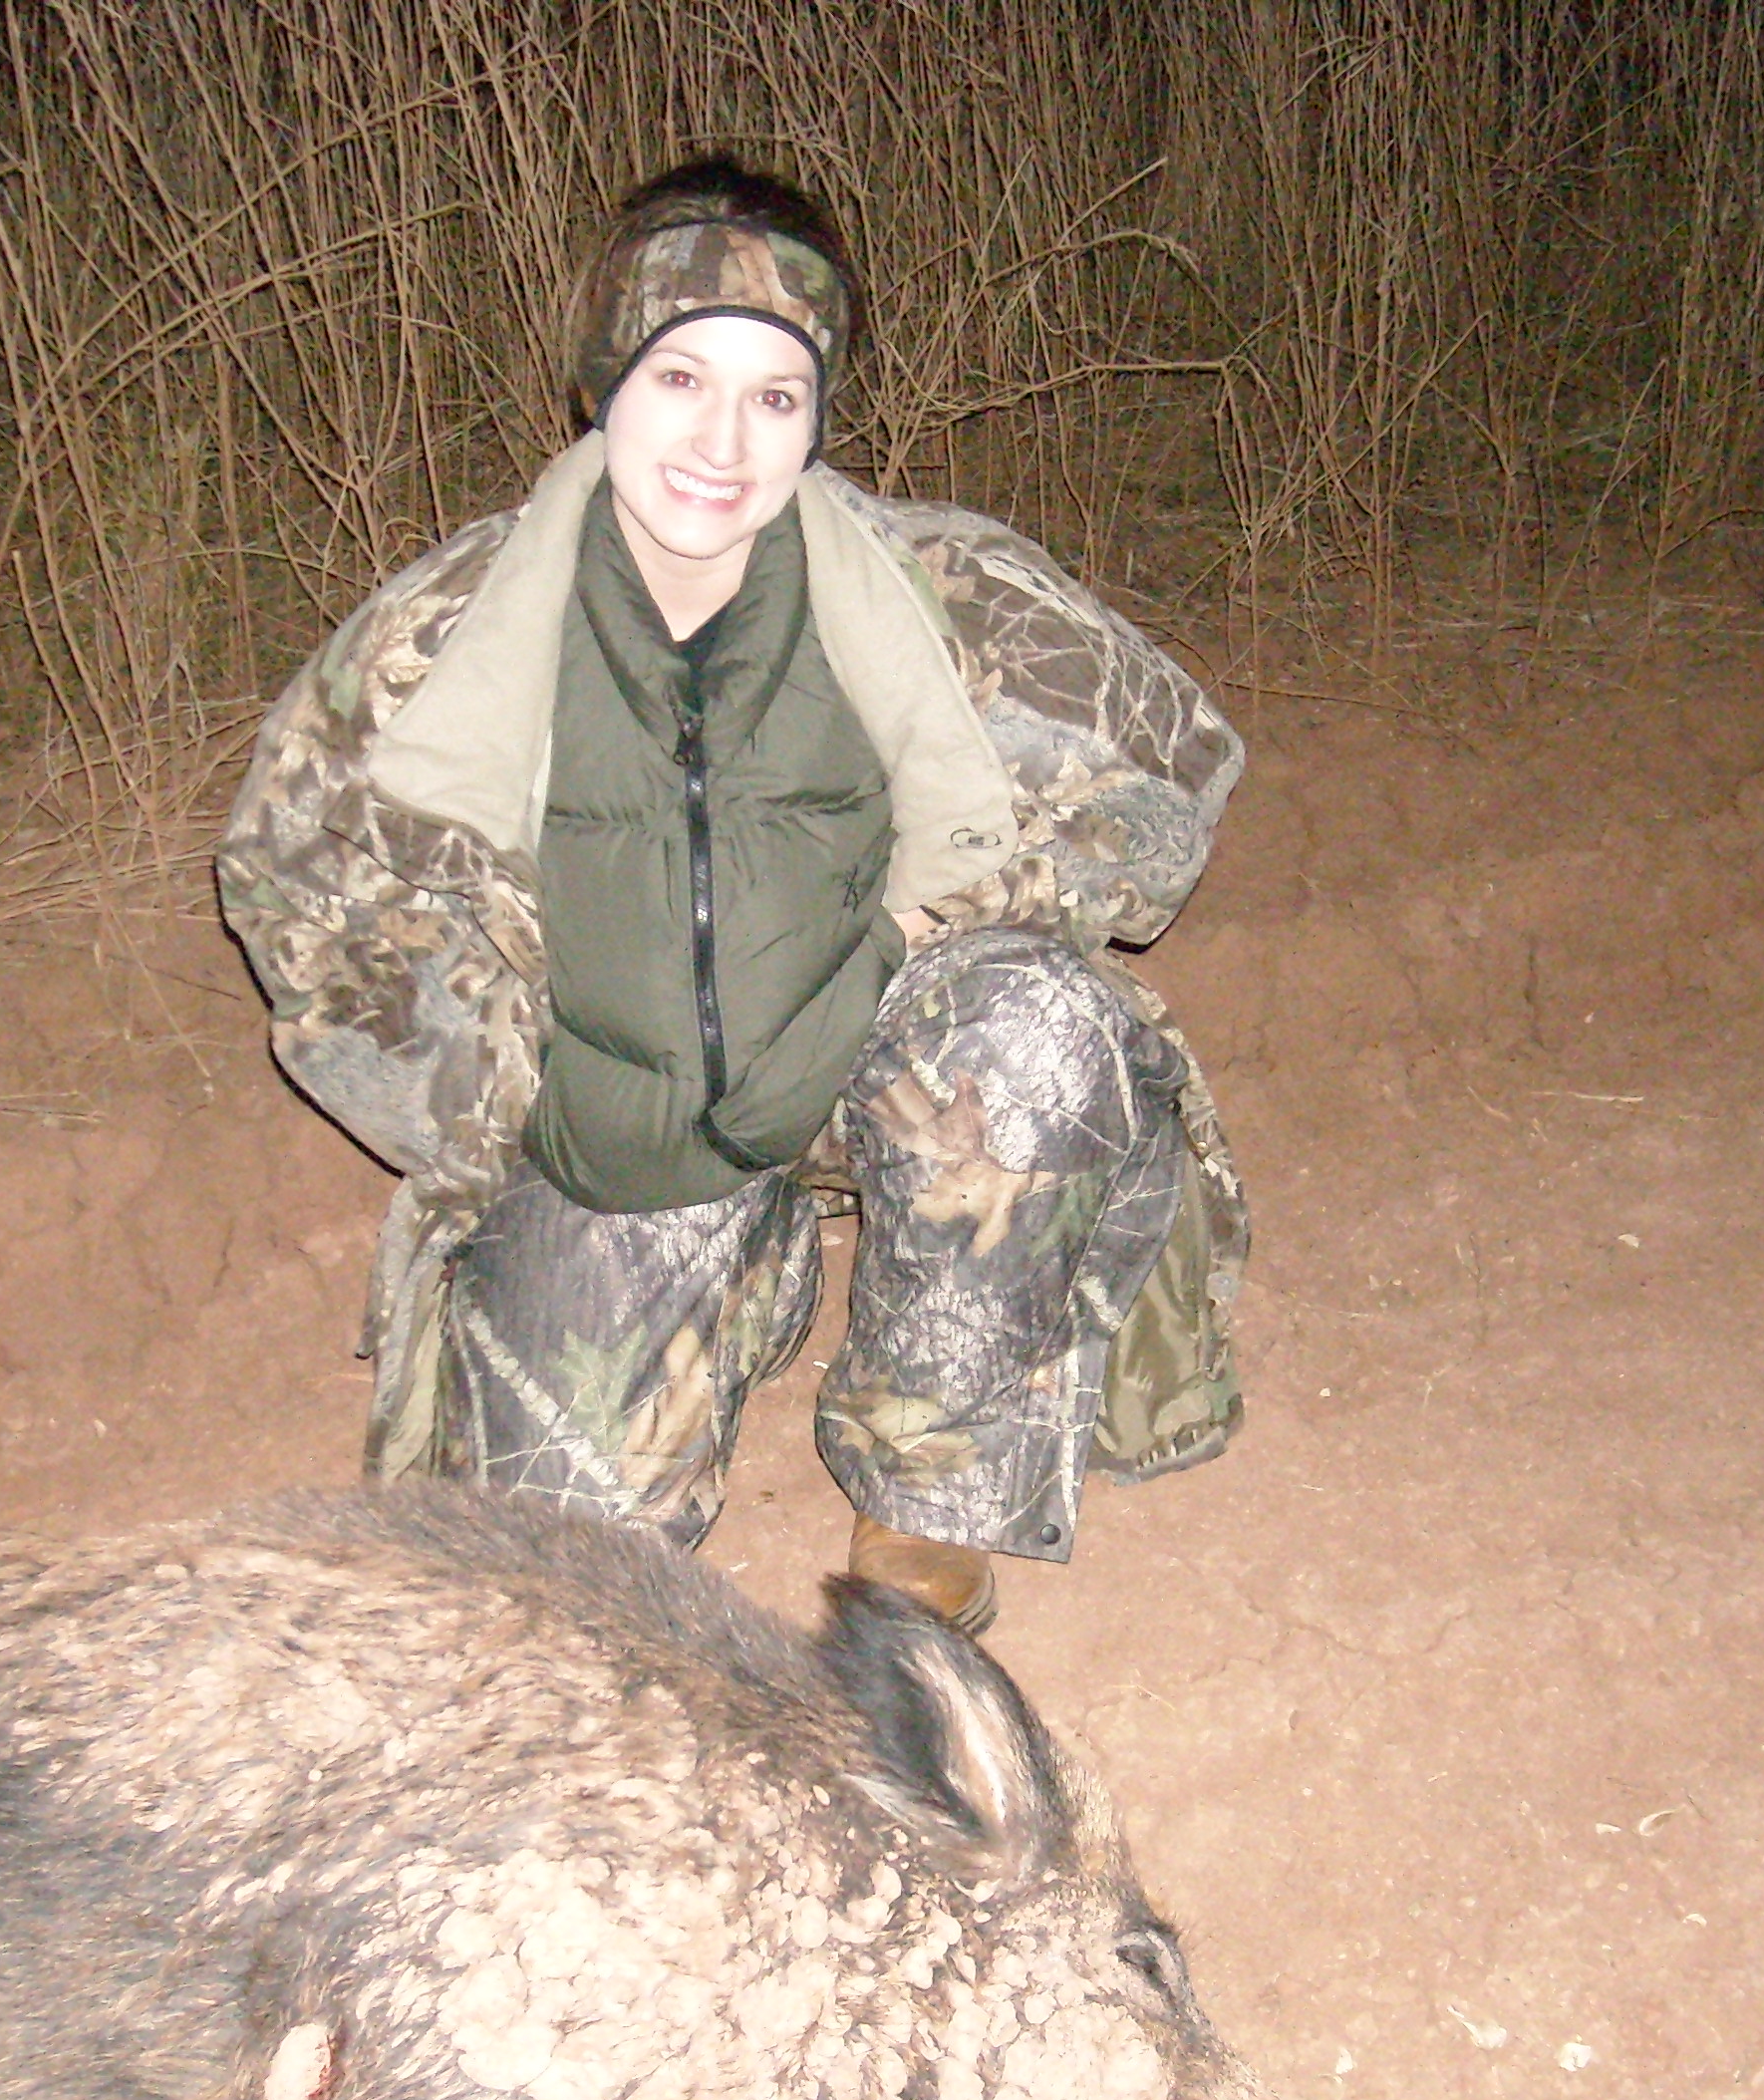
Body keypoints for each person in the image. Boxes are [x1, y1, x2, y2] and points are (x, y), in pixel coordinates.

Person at [217, 158, 1248, 1636]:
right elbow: (296, 890)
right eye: (681, 378)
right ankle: (739, 1265)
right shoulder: (439, 633)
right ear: (603, 385)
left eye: (777, 396)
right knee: (562, 1586)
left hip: (871, 1060)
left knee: (1035, 1029)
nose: (723, 441)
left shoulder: (934, 586)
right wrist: (511, 1100)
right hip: (622, 1141)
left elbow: (1162, 778)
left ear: (819, 417)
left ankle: (925, 1487)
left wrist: (914, 933)